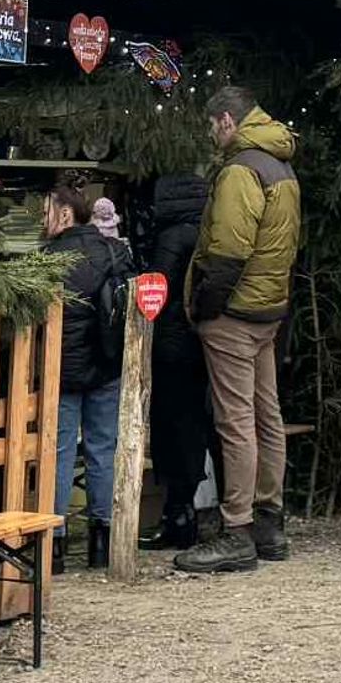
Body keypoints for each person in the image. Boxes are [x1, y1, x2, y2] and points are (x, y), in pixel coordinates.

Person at [174, 86, 300, 574]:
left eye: (212, 125)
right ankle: (270, 523)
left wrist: (205, 308)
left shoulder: (240, 170)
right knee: (267, 416)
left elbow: (227, 251)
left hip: (234, 313)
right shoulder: (281, 166)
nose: (212, 134)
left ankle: (237, 530)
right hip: (268, 310)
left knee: (236, 421)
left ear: (226, 120)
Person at [44, 183, 135, 572]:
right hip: (106, 363)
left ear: (65, 214)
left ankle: (55, 543)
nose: (42, 219)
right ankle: (102, 539)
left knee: (59, 452)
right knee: (102, 448)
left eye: (46, 211)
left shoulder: (47, 259)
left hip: (61, 368)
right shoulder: (115, 251)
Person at [139, 174, 217, 552]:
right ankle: (185, 514)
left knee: (172, 427)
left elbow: (158, 288)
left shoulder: (171, 237)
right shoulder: (208, 234)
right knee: (195, 426)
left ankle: (178, 516)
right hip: (200, 342)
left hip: (172, 346)